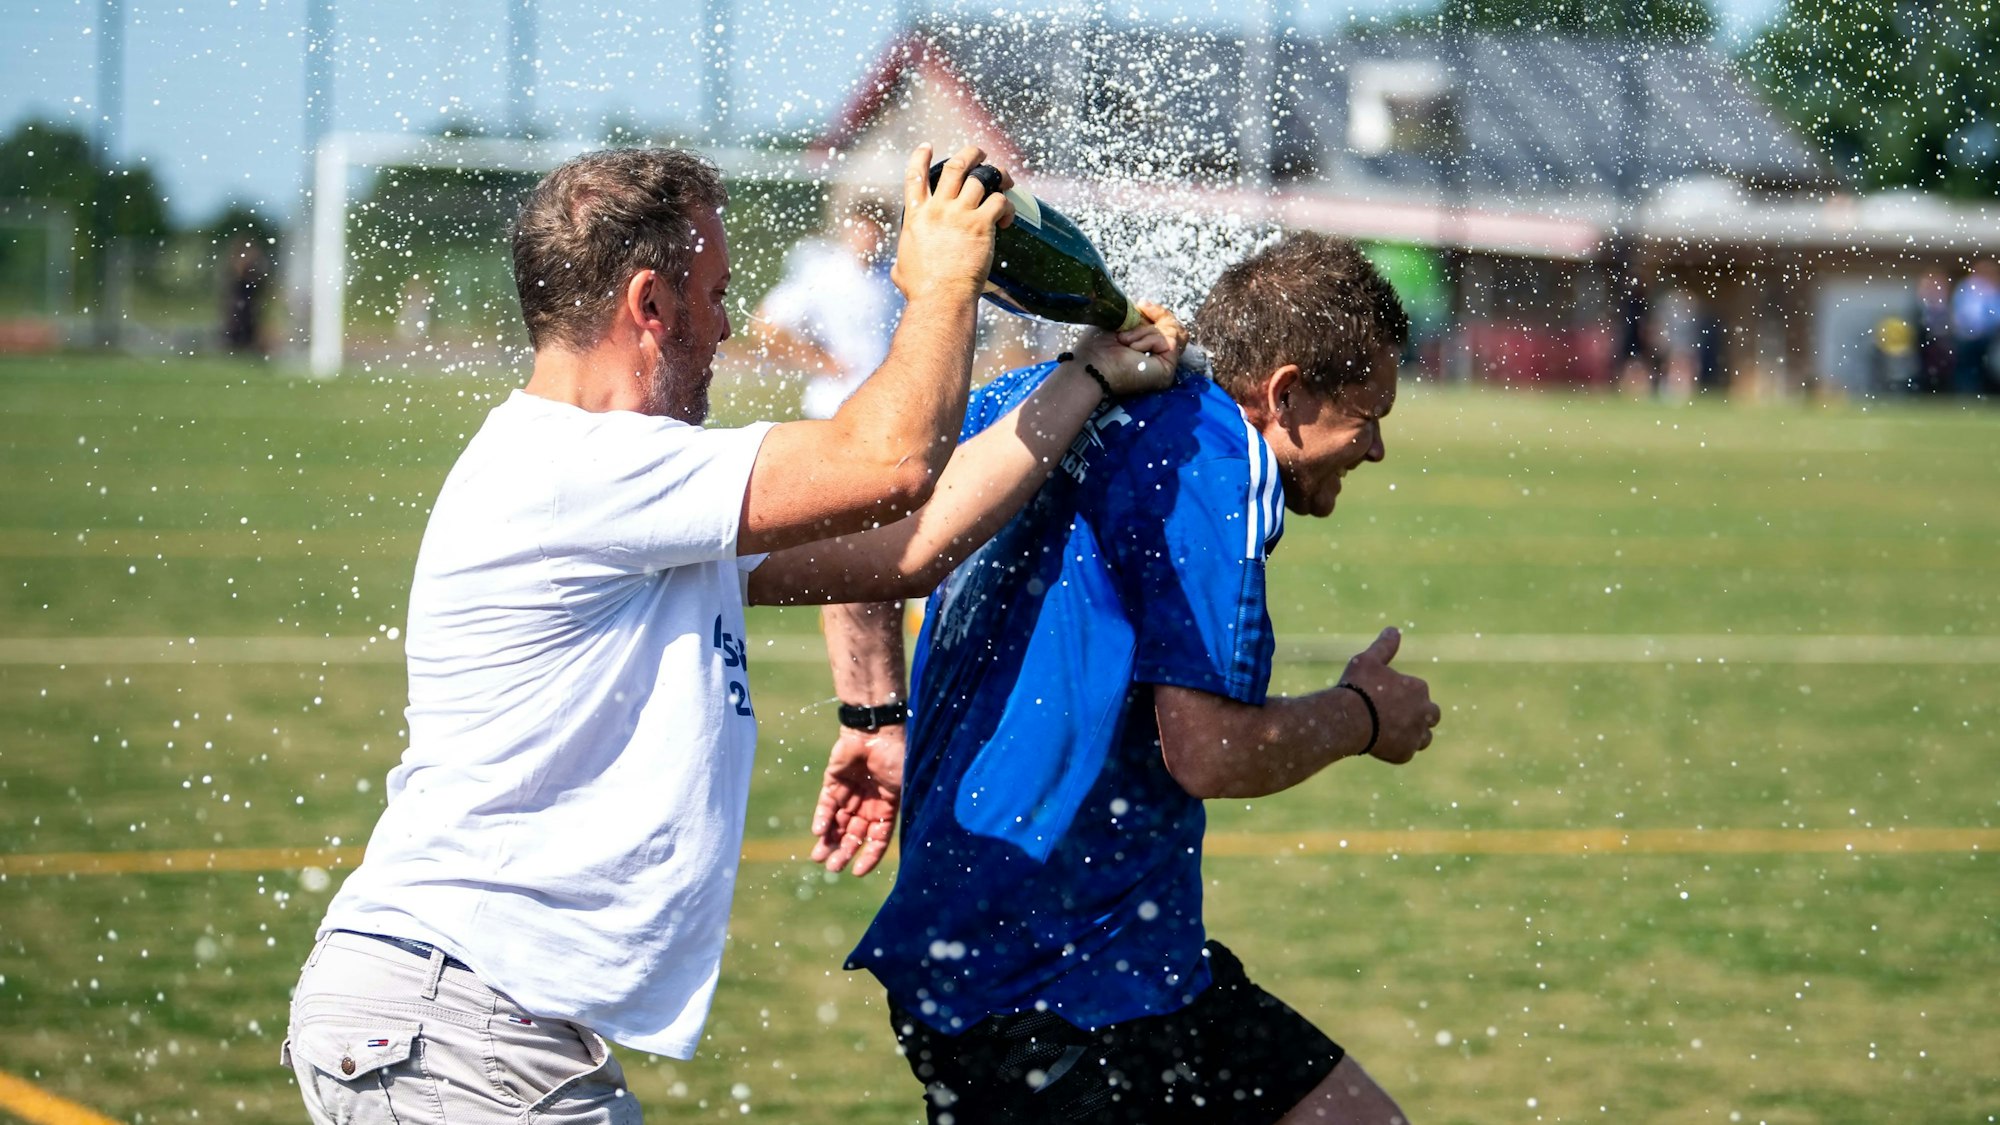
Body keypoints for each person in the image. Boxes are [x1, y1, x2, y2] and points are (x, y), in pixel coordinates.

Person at [283, 143, 1186, 1125]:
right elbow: (887, 463)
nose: (724, 326)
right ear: (647, 304)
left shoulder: (625, 487)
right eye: (711, 294)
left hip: (465, 1025)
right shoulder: (572, 466)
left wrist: (1088, 376)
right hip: (456, 1024)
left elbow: (901, 547)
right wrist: (940, 285)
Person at [818, 232, 1441, 1124]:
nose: (1375, 448)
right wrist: (1363, 717)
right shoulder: (1217, 466)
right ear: (1288, 391)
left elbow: (862, 512)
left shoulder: (1055, 390)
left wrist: (874, 714)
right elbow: (1211, 753)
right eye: (1367, 414)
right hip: (1056, 996)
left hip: (1092, 964)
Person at [756, 193, 905, 418]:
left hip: (885, 405)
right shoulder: (824, 273)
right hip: (832, 405)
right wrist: (820, 360)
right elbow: (764, 325)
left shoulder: (897, 275)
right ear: (849, 229)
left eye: (877, 230)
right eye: (863, 228)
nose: (869, 237)